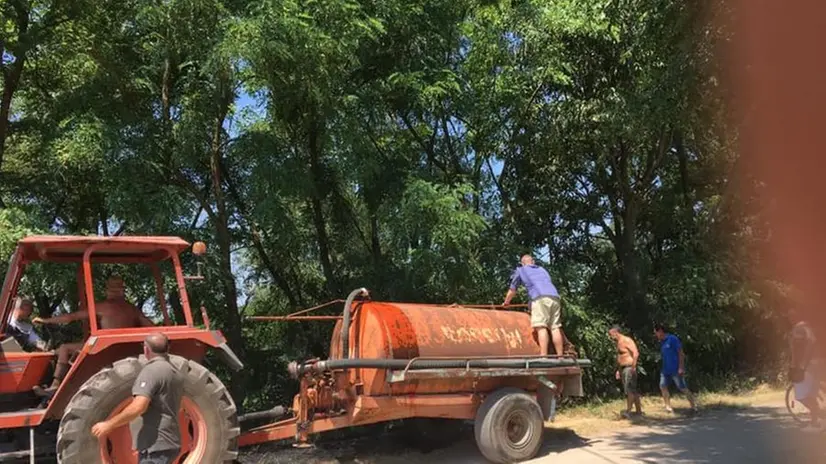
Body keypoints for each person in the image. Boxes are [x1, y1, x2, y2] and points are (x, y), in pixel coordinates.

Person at [32, 276, 155, 395]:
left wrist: (45, 321)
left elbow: (70, 317)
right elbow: (150, 325)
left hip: (106, 349)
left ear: (108, 291)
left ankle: (55, 385)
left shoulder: (102, 307)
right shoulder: (132, 308)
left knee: (64, 348)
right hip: (125, 348)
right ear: (122, 292)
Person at [92, 333, 183, 463]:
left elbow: (138, 406)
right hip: (168, 442)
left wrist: (108, 425)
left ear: (146, 349)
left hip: (155, 445)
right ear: (168, 348)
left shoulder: (151, 371)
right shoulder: (175, 372)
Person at [503, 254, 563, 356]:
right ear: (533, 262)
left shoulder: (521, 270)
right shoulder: (542, 270)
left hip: (540, 297)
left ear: (522, 263)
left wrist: (506, 302)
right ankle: (561, 356)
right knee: (555, 327)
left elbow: (513, 290)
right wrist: (531, 303)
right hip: (555, 297)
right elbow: (541, 284)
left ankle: (544, 357)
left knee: (541, 327)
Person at [789, 310, 822, 432]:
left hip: (808, 366)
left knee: (802, 396)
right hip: (818, 363)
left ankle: (817, 417)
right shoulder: (809, 327)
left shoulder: (799, 328)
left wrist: (800, 365)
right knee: (812, 394)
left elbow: (801, 348)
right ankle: (815, 421)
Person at [654, 324, 697, 412]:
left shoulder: (672, 339)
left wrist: (681, 367)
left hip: (675, 368)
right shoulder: (661, 342)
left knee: (682, 387)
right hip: (665, 369)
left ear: (661, 331)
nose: (656, 335)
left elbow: (680, 353)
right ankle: (668, 407)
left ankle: (693, 405)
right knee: (662, 386)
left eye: (656, 332)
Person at [609, 325, 642, 417]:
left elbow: (635, 353)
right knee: (632, 390)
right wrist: (618, 370)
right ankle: (638, 411)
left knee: (629, 390)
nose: (610, 336)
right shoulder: (618, 342)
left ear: (616, 332)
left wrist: (633, 367)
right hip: (623, 368)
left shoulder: (626, 340)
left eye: (611, 334)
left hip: (629, 367)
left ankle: (628, 411)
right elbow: (620, 357)